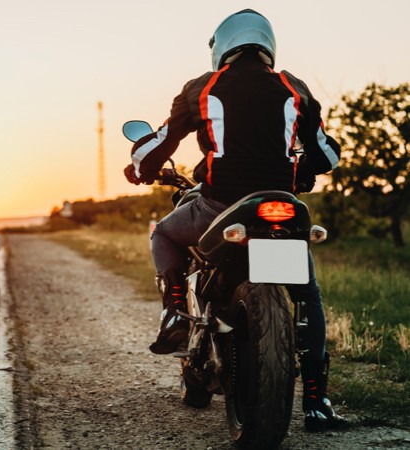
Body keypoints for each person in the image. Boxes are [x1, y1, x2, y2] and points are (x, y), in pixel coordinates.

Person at [123, 9, 347, 431]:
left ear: (221, 47)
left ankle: (174, 314)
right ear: (267, 45)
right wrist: (305, 171)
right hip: (283, 206)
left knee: (164, 233)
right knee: (309, 293)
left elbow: (160, 141)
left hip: (218, 206)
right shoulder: (293, 87)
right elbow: (325, 153)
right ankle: (317, 401)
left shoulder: (202, 88)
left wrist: (140, 168)